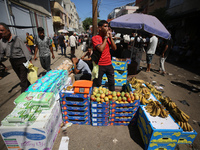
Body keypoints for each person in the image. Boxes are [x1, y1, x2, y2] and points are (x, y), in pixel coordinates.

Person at [0, 23, 32, 92]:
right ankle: (30, 86)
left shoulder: (17, 39)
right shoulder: (1, 41)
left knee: (23, 79)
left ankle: (23, 95)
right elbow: (1, 53)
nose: (0, 32)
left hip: (22, 60)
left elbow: (25, 50)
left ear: (8, 30)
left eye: (2, 30)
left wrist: (29, 60)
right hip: (12, 61)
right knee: (21, 77)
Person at [91, 20, 117, 91]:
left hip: (109, 64)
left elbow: (114, 48)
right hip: (99, 65)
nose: (107, 28)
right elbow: (101, 49)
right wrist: (105, 38)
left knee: (112, 82)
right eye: (105, 26)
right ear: (99, 28)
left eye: (108, 26)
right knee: (98, 83)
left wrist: (110, 37)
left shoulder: (108, 38)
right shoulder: (95, 38)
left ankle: (112, 96)